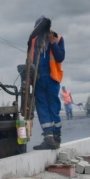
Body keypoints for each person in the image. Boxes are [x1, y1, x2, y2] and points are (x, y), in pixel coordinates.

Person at [29, 17, 66, 150]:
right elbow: (30, 61)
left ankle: (56, 137)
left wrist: (52, 43)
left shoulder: (57, 38)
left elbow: (60, 57)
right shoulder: (33, 41)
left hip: (51, 78)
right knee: (42, 108)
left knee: (53, 107)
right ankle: (49, 138)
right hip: (38, 79)